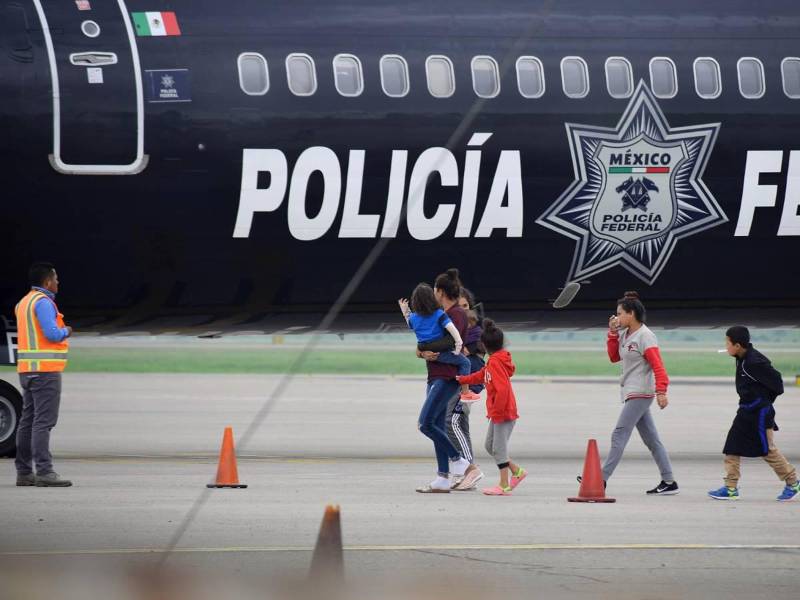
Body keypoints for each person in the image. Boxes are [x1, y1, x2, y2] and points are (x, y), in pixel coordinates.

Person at [590, 291, 678, 495]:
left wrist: (662, 391)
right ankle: (669, 482)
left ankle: (601, 479)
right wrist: (612, 333)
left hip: (641, 392)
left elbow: (658, 366)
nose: (616, 317)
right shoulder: (625, 333)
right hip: (631, 391)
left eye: (619, 313)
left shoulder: (645, 336)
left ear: (631, 314)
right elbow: (613, 357)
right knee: (652, 440)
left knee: (619, 433)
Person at [708, 326, 799, 501]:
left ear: (737, 345)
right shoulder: (741, 357)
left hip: (758, 413)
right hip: (746, 410)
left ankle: (793, 482)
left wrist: (762, 402)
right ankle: (730, 488)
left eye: (727, 342)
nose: (725, 346)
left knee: (767, 450)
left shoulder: (754, 362)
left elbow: (777, 385)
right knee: (732, 447)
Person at [415, 269, 479, 493]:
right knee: (437, 425)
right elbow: (429, 340)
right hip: (436, 374)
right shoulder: (444, 313)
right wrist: (422, 351)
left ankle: (462, 463)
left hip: (446, 376)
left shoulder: (456, 314)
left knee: (425, 423)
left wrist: (425, 348)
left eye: (435, 289)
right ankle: (443, 477)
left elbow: (446, 343)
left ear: (440, 291)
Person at [13, 262, 73, 487]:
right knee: (43, 423)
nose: (58, 283)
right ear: (47, 281)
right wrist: (66, 331)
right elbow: (51, 334)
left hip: (27, 371)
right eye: (56, 279)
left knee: (27, 422)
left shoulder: (24, 302)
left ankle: (24, 472)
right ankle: (45, 472)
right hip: (45, 372)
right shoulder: (44, 303)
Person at [457, 319, 525, 496]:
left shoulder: (495, 362)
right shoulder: (494, 362)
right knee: (490, 446)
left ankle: (504, 485)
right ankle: (517, 472)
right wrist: (464, 379)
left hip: (503, 413)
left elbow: (502, 389)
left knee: (498, 449)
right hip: (499, 413)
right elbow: (482, 375)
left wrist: (498, 412)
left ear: (484, 345)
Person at [398, 283, 480, 402]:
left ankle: (428, 409)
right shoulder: (439, 315)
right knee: (465, 363)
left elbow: (409, 322)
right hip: (441, 354)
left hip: (426, 350)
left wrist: (405, 310)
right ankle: (466, 392)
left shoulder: (414, 318)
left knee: (432, 390)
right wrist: (458, 346)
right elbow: (454, 332)